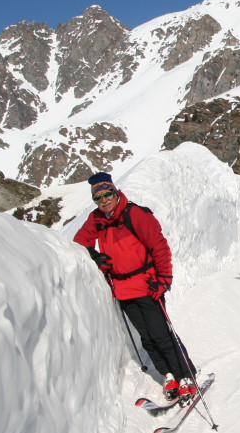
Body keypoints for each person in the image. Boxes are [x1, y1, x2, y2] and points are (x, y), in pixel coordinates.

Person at [73, 172, 198, 402]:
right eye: (98, 198)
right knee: (146, 338)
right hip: (122, 289)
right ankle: (168, 374)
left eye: (107, 194)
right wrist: (94, 255)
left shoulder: (136, 214)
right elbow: (79, 243)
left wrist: (164, 279)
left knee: (161, 334)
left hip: (148, 285)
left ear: (115, 191)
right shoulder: (96, 220)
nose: (104, 201)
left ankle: (186, 375)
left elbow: (159, 246)